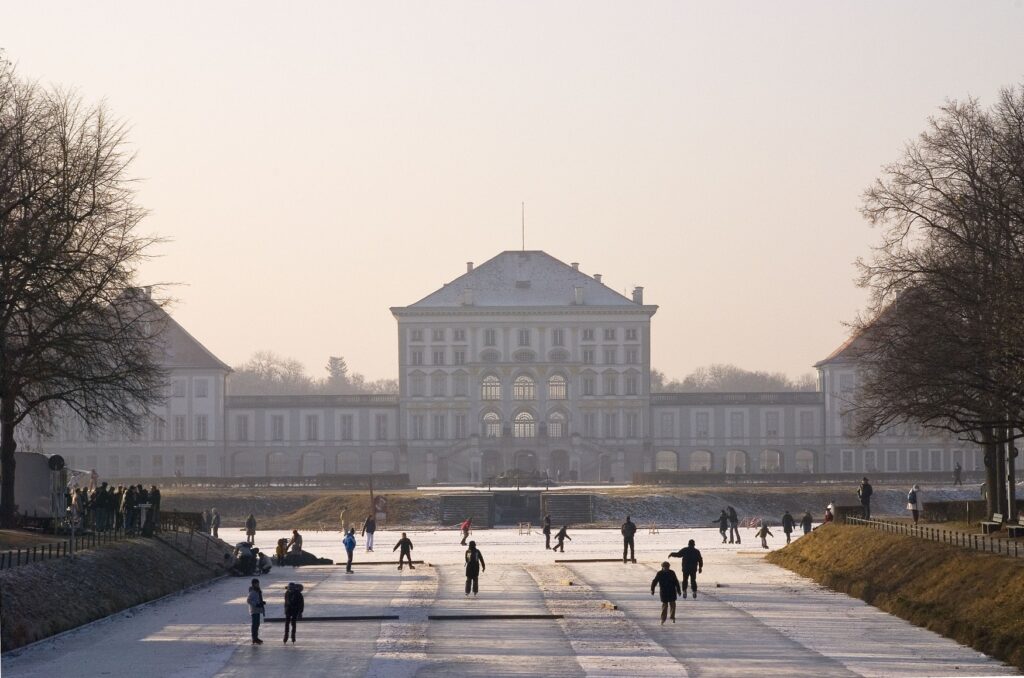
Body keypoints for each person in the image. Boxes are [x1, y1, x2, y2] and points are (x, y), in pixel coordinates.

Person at [246, 578, 265, 644]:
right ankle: (254, 638)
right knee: (255, 624)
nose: (258, 584)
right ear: (254, 584)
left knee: (257, 624)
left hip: (257, 610)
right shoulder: (253, 591)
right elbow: (248, 600)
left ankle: (256, 637)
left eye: (258, 583)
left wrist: (261, 602)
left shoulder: (258, 591)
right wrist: (256, 604)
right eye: (256, 583)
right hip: (254, 610)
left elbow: (258, 599)